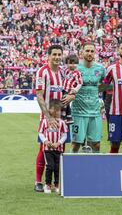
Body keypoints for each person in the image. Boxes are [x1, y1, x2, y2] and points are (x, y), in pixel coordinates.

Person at [34, 45, 75, 192]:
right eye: (54, 54)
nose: (57, 57)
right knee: (44, 147)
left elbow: (69, 90)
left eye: (59, 54)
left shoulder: (63, 72)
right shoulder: (42, 72)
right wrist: (47, 117)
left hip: (62, 117)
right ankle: (38, 181)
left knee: (60, 147)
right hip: (47, 117)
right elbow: (39, 95)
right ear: (49, 56)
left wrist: (72, 95)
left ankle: (58, 182)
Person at [71, 43, 106, 153]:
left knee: (96, 144)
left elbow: (105, 85)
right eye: (87, 51)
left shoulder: (100, 69)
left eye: (92, 51)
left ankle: (95, 169)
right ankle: (71, 168)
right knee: (76, 143)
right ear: (82, 52)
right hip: (78, 112)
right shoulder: (75, 68)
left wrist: (96, 92)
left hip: (94, 112)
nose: (89, 53)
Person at [38, 99, 68, 194]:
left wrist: (58, 143)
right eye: (58, 110)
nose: (60, 112)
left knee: (57, 167)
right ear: (51, 110)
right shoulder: (44, 122)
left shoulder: (62, 122)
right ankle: (47, 184)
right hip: (48, 149)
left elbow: (64, 135)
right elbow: (41, 133)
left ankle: (56, 185)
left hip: (58, 149)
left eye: (60, 110)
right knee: (50, 166)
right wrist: (46, 141)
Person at [62, 54, 83, 125]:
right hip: (63, 88)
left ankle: (64, 117)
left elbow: (80, 83)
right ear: (67, 63)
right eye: (70, 63)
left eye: (74, 63)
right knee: (65, 103)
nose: (72, 65)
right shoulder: (66, 71)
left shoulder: (77, 73)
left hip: (69, 90)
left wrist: (75, 90)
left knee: (64, 102)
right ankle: (69, 117)